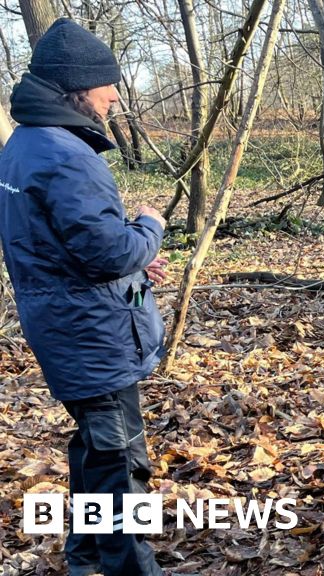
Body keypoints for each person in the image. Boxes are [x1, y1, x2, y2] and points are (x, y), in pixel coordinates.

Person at [0, 18, 168, 576]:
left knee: (97, 452)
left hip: (68, 324)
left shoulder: (26, 145)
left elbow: (62, 245)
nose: (116, 95)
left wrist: (136, 262)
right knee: (121, 462)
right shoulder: (68, 154)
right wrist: (147, 230)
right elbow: (104, 254)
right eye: (108, 84)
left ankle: (86, 557)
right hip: (91, 337)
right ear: (77, 87)